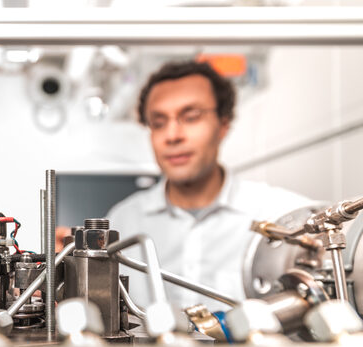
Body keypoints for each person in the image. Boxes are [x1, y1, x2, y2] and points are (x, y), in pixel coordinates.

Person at [107, 60, 312, 311]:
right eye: (158, 123)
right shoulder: (121, 222)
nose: (172, 135)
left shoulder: (285, 216)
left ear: (223, 124)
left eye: (191, 117)